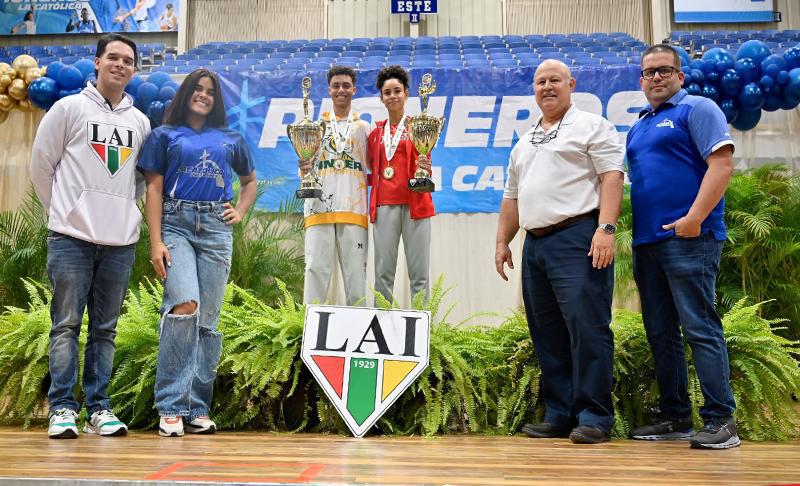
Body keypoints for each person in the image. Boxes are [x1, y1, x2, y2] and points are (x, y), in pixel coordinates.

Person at [494, 59, 625, 444]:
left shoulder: (592, 125)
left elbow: (612, 177)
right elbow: (511, 196)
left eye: (554, 80)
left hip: (579, 236)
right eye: (540, 82)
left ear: (571, 84)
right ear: (533, 89)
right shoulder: (525, 139)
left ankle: (595, 417)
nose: (547, 87)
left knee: (587, 328)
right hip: (535, 244)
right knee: (546, 332)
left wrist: (606, 228)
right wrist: (503, 241)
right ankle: (560, 413)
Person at [30, 33, 149, 439]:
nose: (120, 65)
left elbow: (138, 183)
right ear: (96, 63)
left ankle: (99, 409)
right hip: (70, 239)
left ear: (134, 69)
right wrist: (63, 212)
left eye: (128, 60)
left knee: (105, 329)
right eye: (112, 57)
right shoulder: (69, 108)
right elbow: (41, 167)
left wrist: (124, 214)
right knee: (65, 325)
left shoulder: (140, 122)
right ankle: (62, 408)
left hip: (119, 242)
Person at [626, 44, 739, 449]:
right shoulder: (638, 127)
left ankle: (721, 419)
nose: (656, 77)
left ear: (680, 76)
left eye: (664, 70)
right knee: (660, 333)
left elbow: (722, 165)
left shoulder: (698, 109)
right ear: (640, 81)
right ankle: (675, 416)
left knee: (699, 327)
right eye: (649, 72)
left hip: (690, 238)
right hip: (647, 244)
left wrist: (693, 219)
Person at [138, 68, 257, 438]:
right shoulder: (163, 135)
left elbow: (249, 181)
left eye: (209, 91)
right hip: (175, 223)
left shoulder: (231, 138)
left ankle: (197, 406)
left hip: (217, 230)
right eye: (197, 89)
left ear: (216, 99)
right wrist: (155, 241)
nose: (203, 95)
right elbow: (153, 190)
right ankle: (171, 405)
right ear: (186, 93)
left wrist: (239, 210)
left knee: (207, 321)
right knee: (184, 305)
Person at [298, 66, 370, 306]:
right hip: (319, 207)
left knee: (356, 277)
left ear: (354, 90)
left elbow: (374, 168)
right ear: (329, 90)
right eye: (336, 86)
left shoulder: (364, 128)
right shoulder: (314, 127)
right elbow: (305, 166)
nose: (341, 90)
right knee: (315, 271)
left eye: (346, 86)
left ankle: (358, 329)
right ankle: (308, 332)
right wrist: (303, 166)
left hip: (354, 209)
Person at [367, 65, 434, 303]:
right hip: (385, 205)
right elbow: (371, 167)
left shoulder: (420, 126)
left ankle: (423, 331)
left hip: (416, 204)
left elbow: (425, 161)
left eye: (397, 90)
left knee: (420, 276)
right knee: (383, 275)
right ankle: (380, 329)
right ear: (381, 98)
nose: (392, 96)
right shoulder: (375, 133)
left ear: (406, 93)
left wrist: (425, 167)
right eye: (387, 92)